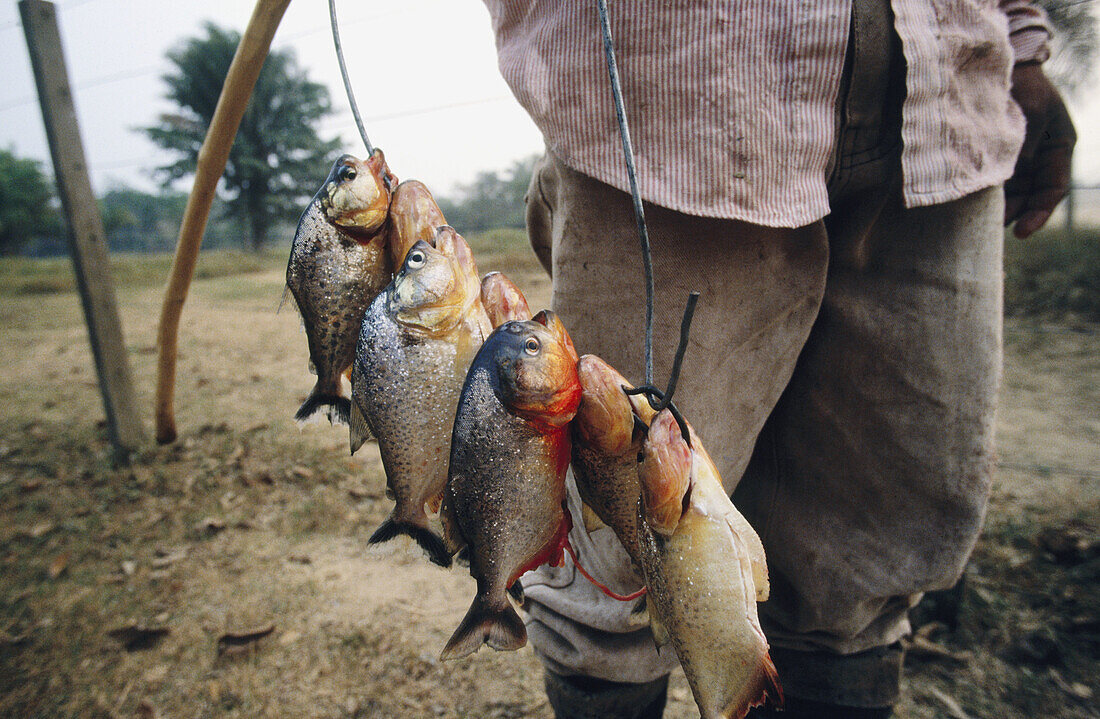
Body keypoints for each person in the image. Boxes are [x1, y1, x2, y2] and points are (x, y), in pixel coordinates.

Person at [480, 1, 1076, 717]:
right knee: (613, 583)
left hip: (944, 114)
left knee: (858, 576)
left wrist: (1024, 42)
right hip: (674, 110)